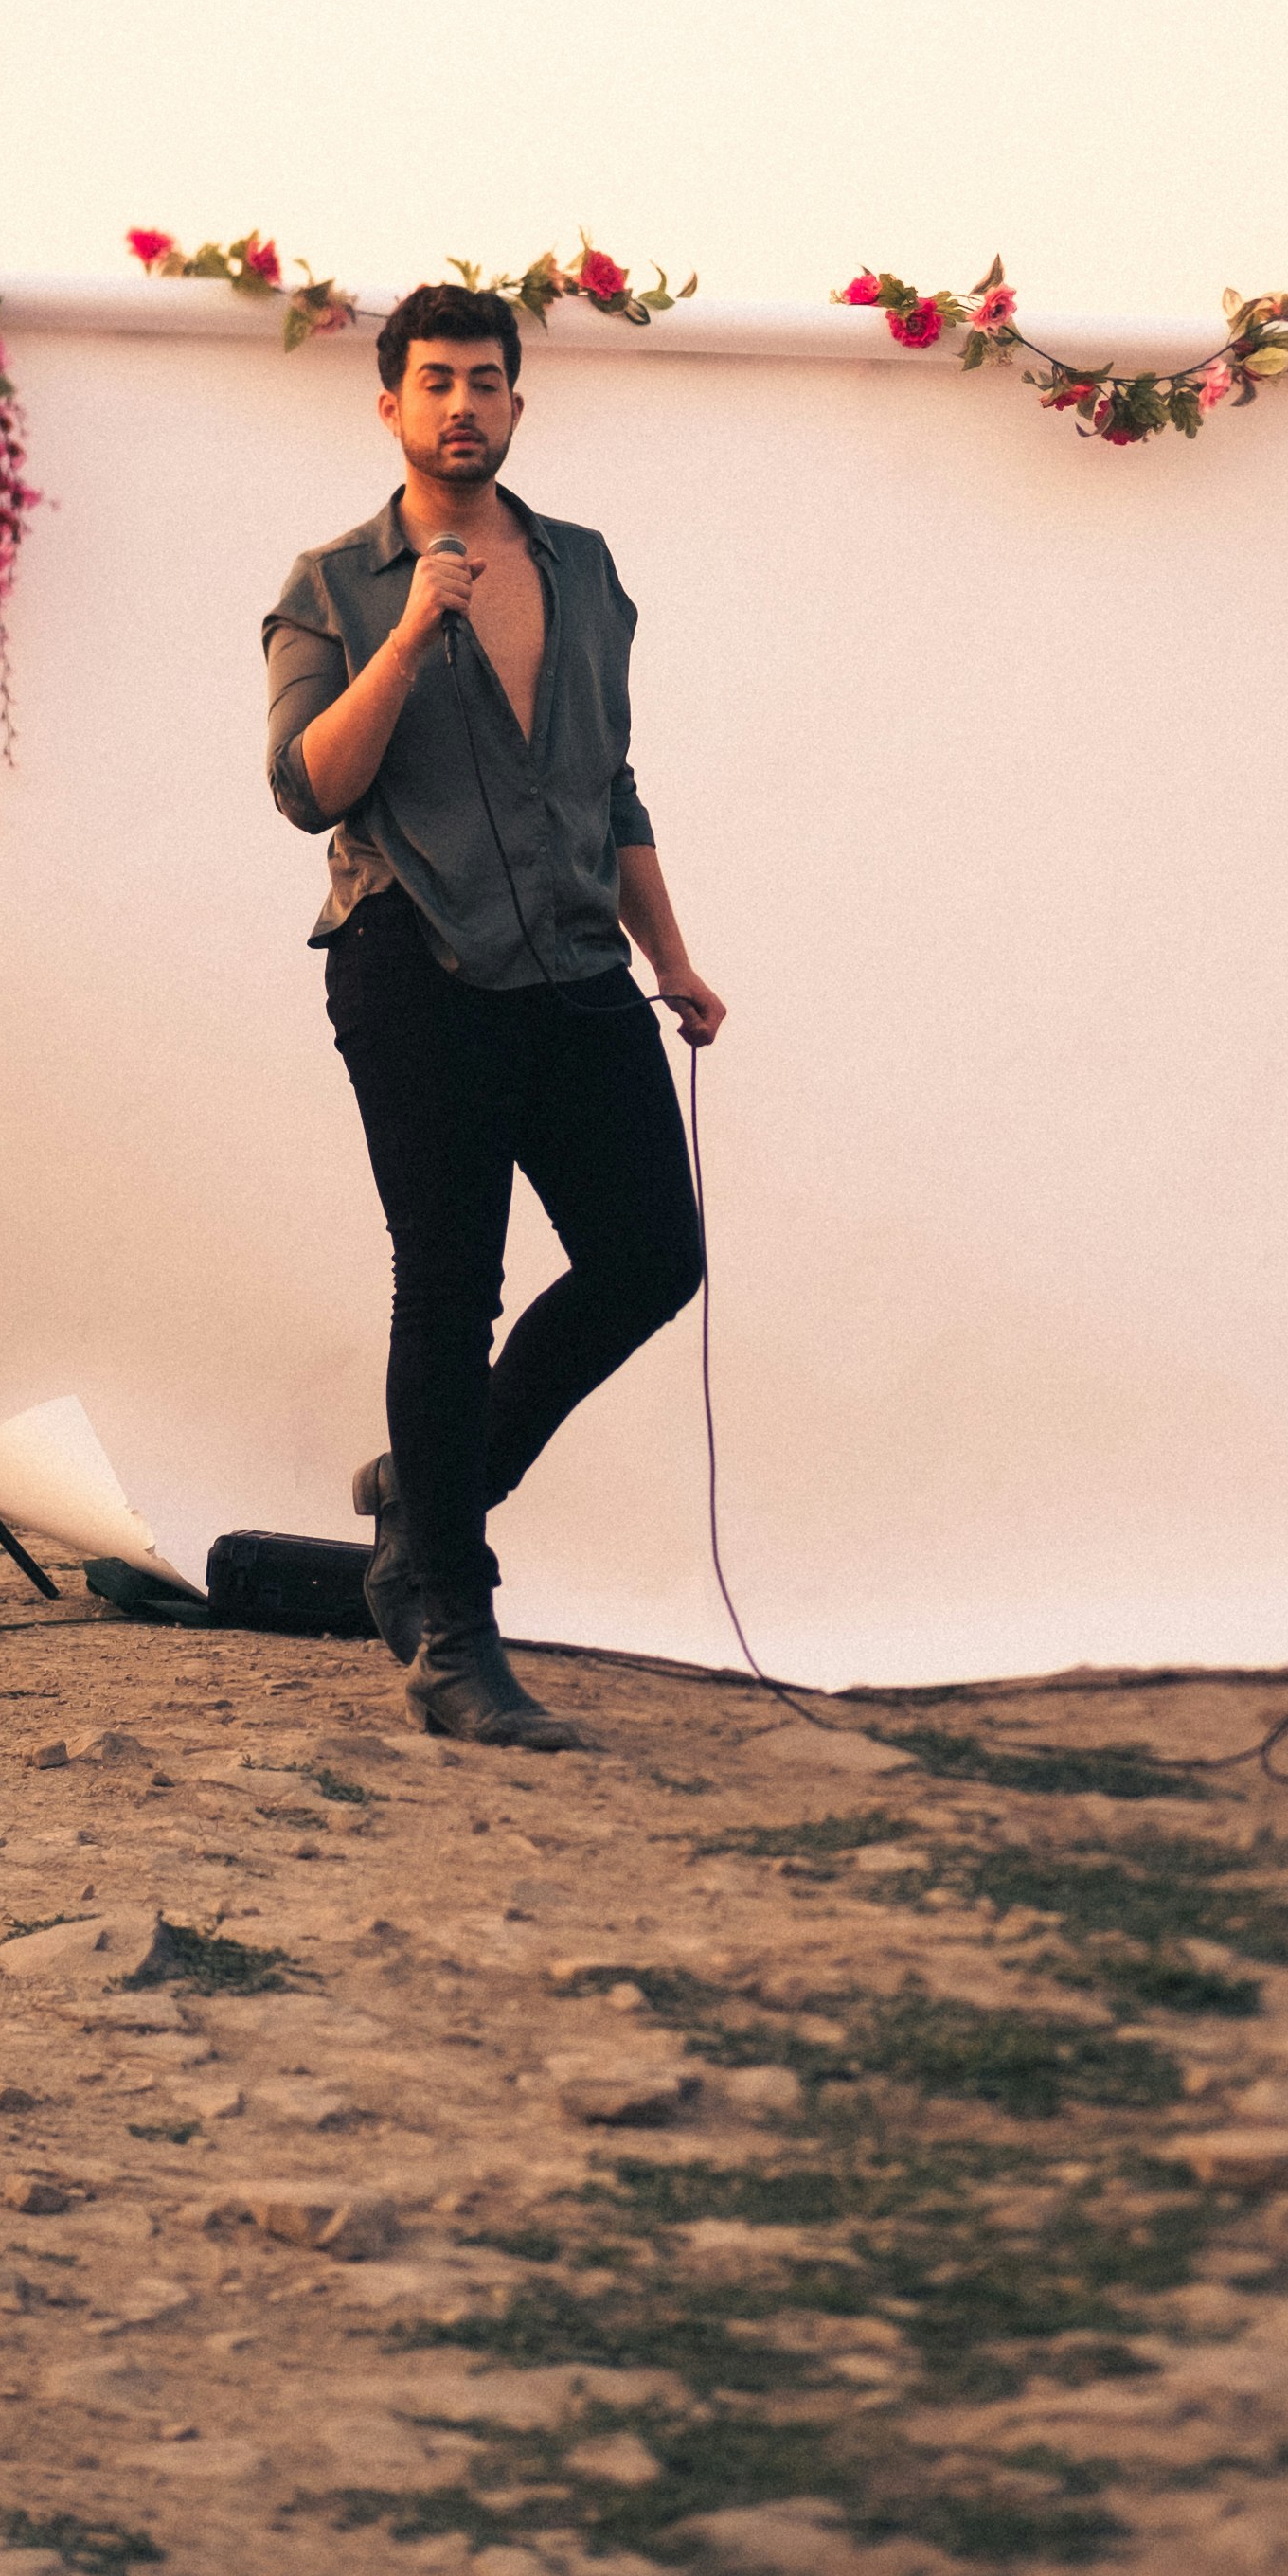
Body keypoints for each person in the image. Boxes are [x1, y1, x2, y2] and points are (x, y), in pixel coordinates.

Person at [261, 282, 726, 1750]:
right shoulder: (332, 584)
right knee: (449, 1285)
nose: (461, 403)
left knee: (654, 1254)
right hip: (414, 964)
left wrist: (673, 956)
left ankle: (425, 1492)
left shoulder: (587, 572)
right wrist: (405, 637)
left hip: (581, 971)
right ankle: (453, 1630)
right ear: (389, 404)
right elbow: (305, 788)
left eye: (486, 380)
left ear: (518, 405)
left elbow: (612, 782)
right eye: (433, 380)